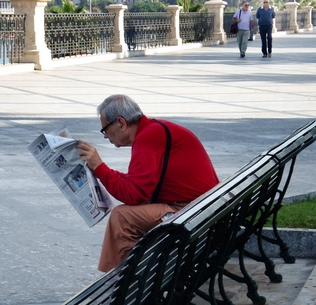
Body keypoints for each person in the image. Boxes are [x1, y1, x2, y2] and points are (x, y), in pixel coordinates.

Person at [75, 95, 219, 272]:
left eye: (105, 129)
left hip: (193, 213)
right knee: (130, 212)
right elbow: (139, 184)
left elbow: (133, 194)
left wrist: (99, 167)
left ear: (121, 123)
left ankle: (124, 281)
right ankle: (131, 274)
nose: (105, 136)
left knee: (122, 217)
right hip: (205, 208)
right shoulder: (153, 129)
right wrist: (101, 171)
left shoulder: (148, 137)